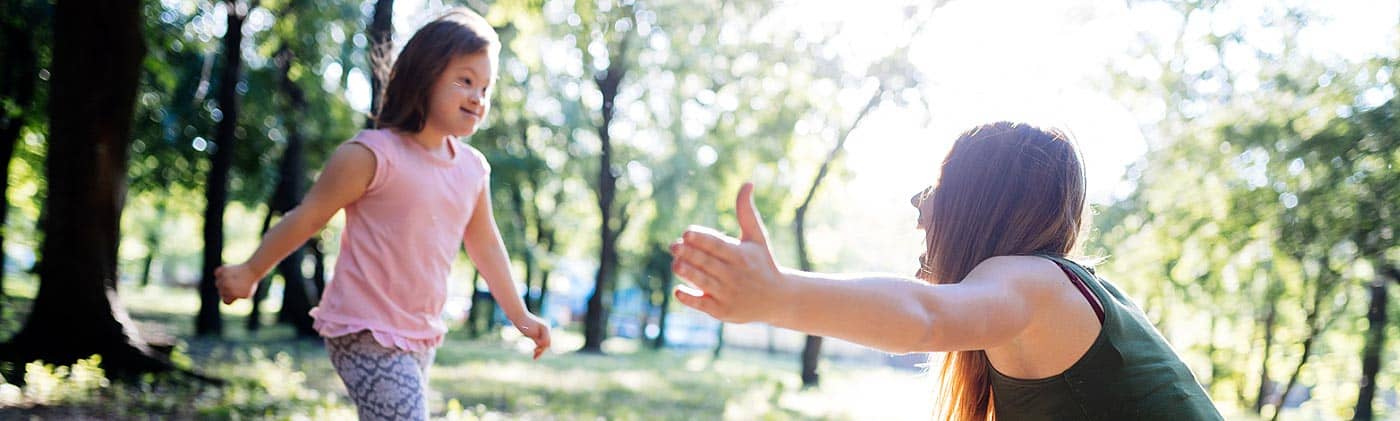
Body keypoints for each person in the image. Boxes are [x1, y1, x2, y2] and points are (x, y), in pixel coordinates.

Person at [669, 122, 1222, 420]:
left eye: (935, 188)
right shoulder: (1061, 293)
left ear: (977, 205)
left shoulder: (1034, 283)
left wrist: (777, 297)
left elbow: (923, 315)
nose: (919, 207)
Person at [214, 8, 550, 420]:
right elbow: (309, 217)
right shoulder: (372, 155)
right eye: (465, 80)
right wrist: (250, 271)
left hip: (420, 334)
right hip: (363, 329)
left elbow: (485, 245)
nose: (478, 97)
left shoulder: (472, 169)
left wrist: (520, 314)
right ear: (425, 75)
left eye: (485, 87)